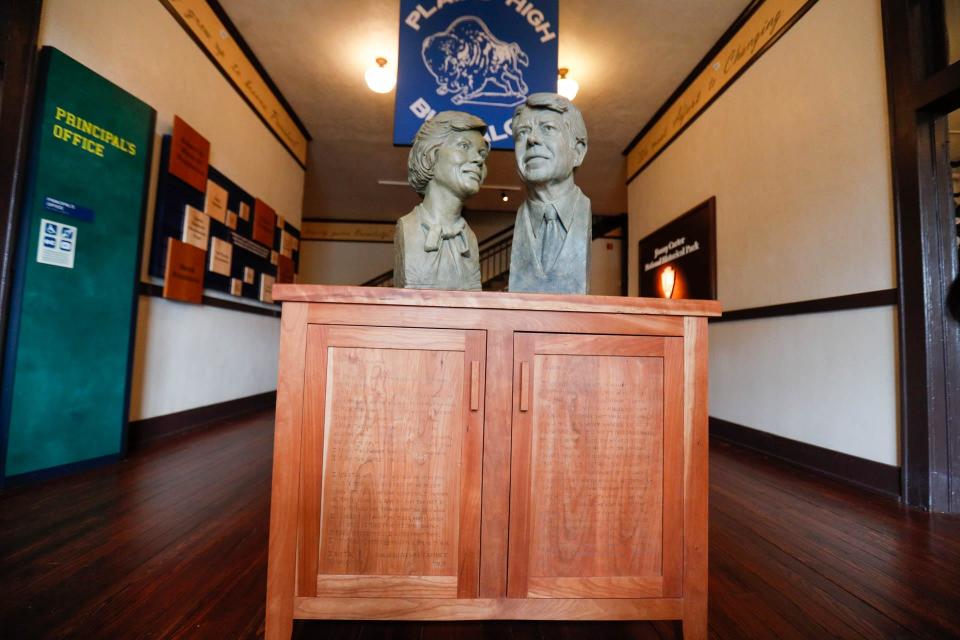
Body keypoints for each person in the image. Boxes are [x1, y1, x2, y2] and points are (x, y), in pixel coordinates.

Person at [394, 111, 489, 291]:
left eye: (482, 154)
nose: (478, 159)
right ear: (430, 156)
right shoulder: (407, 228)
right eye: (464, 146)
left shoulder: (470, 240)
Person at [507, 92, 591, 294]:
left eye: (548, 129)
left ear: (578, 152)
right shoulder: (521, 220)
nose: (533, 139)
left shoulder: (583, 211)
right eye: (523, 133)